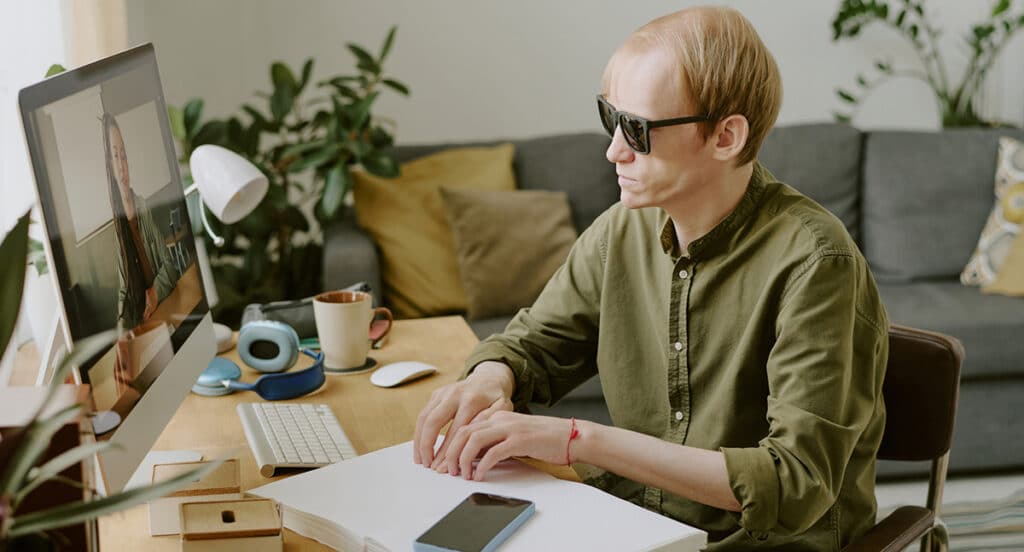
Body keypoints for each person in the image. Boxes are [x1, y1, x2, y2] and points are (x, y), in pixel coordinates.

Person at [413, 6, 889, 550]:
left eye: (637, 130)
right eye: (609, 118)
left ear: (726, 136)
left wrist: (578, 440)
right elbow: (532, 345)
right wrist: (490, 378)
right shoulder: (623, 229)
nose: (614, 149)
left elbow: (795, 483)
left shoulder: (818, 264)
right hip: (630, 526)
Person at [101, 112, 179, 331]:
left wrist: (154, 292)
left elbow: (170, 266)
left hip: (163, 310)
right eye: (115, 157)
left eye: (124, 155)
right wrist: (122, 336)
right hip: (141, 324)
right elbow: (123, 294)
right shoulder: (115, 225)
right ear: (109, 165)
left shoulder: (142, 206)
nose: (122, 165)